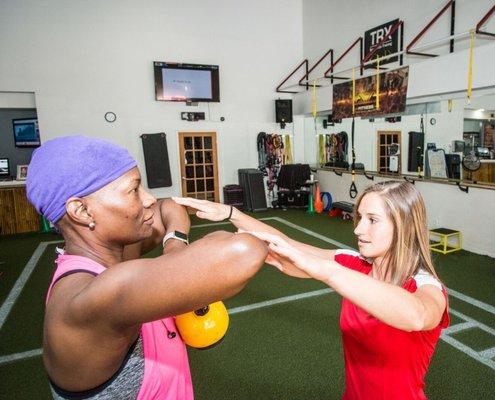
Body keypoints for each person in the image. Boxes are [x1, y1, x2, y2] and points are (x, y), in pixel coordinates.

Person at [26, 135, 268, 399]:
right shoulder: (86, 299)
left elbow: (170, 206)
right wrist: (175, 259)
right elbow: (243, 252)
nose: (150, 199)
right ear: (82, 211)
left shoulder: (116, 252)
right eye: (133, 190)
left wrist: (174, 246)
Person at [173, 180, 449, 400]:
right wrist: (232, 214)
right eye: (360, 217)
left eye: (372, 220)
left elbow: (418, 315)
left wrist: (327, 270)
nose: (358, 229)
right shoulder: (354, 264)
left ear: (403, 226)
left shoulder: (425, 284)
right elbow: (287, 245)